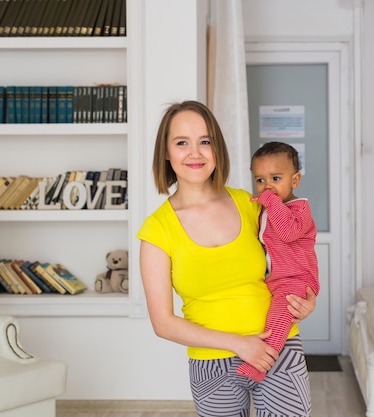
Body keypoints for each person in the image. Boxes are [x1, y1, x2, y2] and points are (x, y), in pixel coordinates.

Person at [136, 100, 317, 417]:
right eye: (182, 143)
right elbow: (163, 324)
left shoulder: (252, 204)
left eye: (205, 142)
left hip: (278, 348)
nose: (195, 153)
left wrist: (307, 300)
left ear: (217, 148)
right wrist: (239, 344)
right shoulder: (156, 230)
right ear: (166, 153)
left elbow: (296, 254)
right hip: (212, 363)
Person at [236, 141, 319, 382]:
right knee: (266, 316)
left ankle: (262, 364)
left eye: (275, 178)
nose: (267, 187)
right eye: (260, 180)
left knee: (279, 320)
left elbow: (288, 233)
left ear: (295, 181)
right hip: (276, 279)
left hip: (297, 280)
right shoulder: (267, 210)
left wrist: (270, 202)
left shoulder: (299, 208)